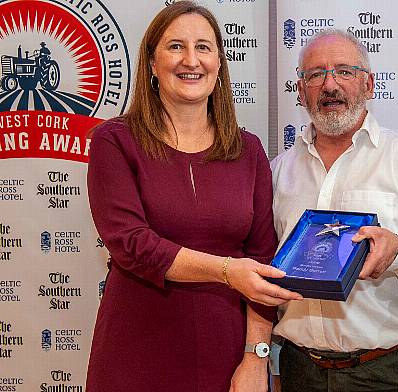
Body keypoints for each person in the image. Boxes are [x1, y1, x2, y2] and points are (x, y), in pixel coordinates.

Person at [85, 2, 301, 391]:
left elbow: (263, 259)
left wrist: (256, 357)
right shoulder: (114, 141)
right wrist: (226, 270)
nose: (191, 60)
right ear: (151, 63)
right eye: (175, 47)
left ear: (219, 62)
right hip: (136, 349)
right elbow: (130, 244)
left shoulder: (248, 150)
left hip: (229, 350)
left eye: (203, 47)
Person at [271, 29, 398, 392]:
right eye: (315, 74)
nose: (330, 85)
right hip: (301, 369)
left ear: (369, 84)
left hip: (387, 370)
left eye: (344, 71)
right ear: (300, 90)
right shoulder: (279, 170)